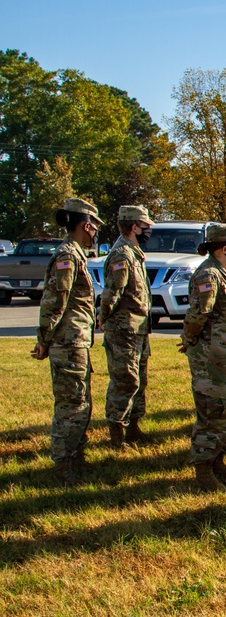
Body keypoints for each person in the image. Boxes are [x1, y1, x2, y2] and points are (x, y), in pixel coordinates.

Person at [32, 198, 103, 486]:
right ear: (86, 226)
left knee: (80, 400)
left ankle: (75, 456)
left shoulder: (75, 254)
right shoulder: (67, 256)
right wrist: (44, 339)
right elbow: (55, 300)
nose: (95, 233)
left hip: (77, 340)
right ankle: (63, 465)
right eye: (95, 227)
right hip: (67, 341)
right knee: (71, 404)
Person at [180, 223, 226, 492]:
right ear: (223, 248)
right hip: (212, 357)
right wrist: (189, 339)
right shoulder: (208, 274)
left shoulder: (225, 272)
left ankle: (217, 461)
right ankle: (204, 474)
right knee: (213, 414)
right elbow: (198, 314)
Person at [100, 205, 154, 449]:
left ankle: (133, 428)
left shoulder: (134, 252)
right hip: (124, 330)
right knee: (125, 380)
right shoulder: (122, 254)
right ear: (134, 227)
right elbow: (112, 293)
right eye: (146, 227)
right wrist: (104, 318)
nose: (148, 231)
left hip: (137, 329)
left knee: (138, 380)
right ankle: (117, 436)